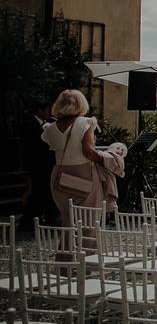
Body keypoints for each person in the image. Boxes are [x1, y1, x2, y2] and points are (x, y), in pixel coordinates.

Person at [43, 90, 112, 230]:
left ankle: (67, 251)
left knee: (68, 221)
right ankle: (87, 251)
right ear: (81, 104)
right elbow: (89, 152)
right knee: (89, 221)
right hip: (83, 173)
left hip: (59, 175)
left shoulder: (49, 128)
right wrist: (106, 158)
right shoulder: (84, 122)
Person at [19, 105, 59, 229]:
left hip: (46, 165)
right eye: (46, 110)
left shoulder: (49, 122)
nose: (48, 113)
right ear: (39, 111)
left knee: (45, 192)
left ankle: (48, 218)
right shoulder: (30, 124)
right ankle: (29, 222)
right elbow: (32, 146)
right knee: (37, 193)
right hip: (37, 165)